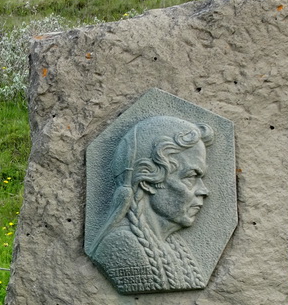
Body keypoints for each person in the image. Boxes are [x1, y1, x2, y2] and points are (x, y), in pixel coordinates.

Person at [87, 115, 213, 294]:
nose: (203, 190)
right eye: (191, 177)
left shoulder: (172, 245)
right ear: (147, 181)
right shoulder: (123, 248)